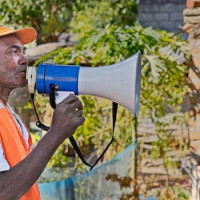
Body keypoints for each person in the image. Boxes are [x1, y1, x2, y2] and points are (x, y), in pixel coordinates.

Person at [0, 26, 85, 200]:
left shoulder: (9, 114)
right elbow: (3, 191)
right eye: (14, 52)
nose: (24, 59)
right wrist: (56, 133)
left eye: (23, 52)